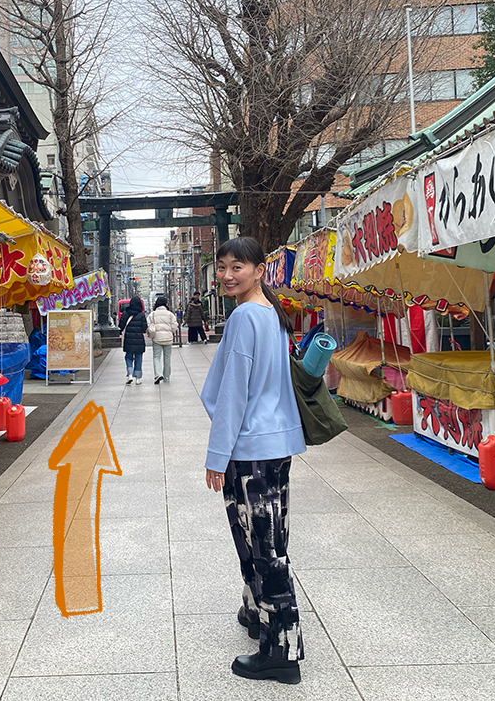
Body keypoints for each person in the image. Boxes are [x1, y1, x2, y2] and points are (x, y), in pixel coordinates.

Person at [200, 236, 305, 684]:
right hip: (276, 445)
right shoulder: (273, 314)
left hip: (251, 451)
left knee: (263, 548)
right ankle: (258, 614)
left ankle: (281, 651)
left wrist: (217, 455)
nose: (226, 275)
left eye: (236, 267)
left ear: (260, 269)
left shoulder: (244, 316)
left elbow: (233, 392)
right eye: (222, 267)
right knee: (269, 538)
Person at [146, 296, 178, 384]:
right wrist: (172, 332)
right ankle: (166, 377)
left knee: (156, 357)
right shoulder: (170, 314)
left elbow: (148, 325)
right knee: (167, 358)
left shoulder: (152, 314)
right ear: (166, 304)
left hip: (156, 338)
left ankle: (158, 374)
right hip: (168, 338)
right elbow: (174, 326)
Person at [118, 296, 148, 385]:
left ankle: (130, 374)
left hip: (128, 339)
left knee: (128, 357)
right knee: (139, 358)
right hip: (139, 340)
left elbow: (121, 325)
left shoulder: (125, 313)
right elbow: (144, 328)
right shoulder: (142, 315)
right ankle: (138, 378)